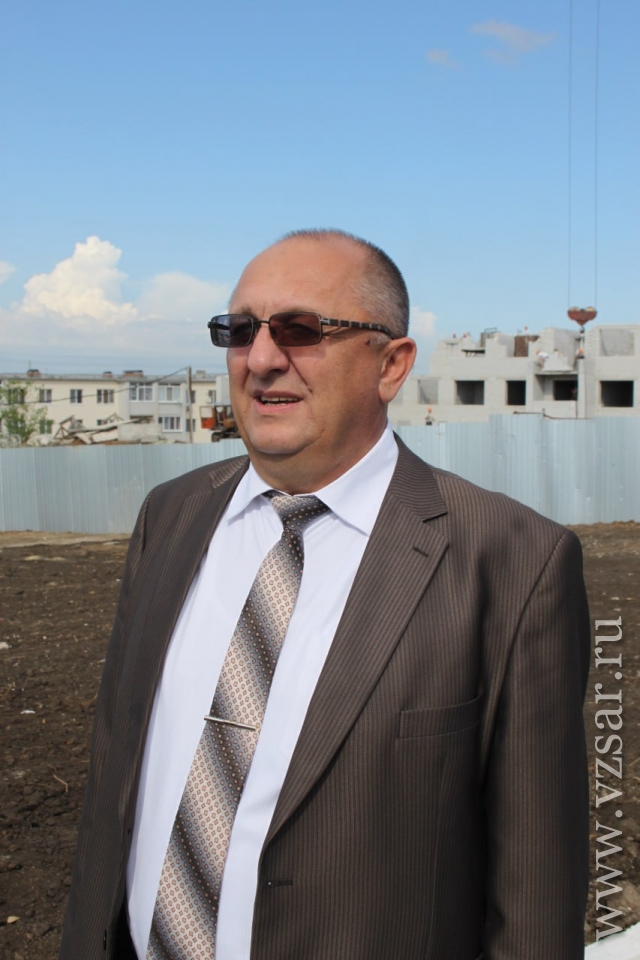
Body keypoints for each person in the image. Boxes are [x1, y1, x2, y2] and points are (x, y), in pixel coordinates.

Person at [59, 229, 590, 960]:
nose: (261, 358)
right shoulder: (171, 516)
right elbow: (112, 778)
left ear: (391, 364)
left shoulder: (513, 560)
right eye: (240, 330)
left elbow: (535, 891)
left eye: (301, 330)